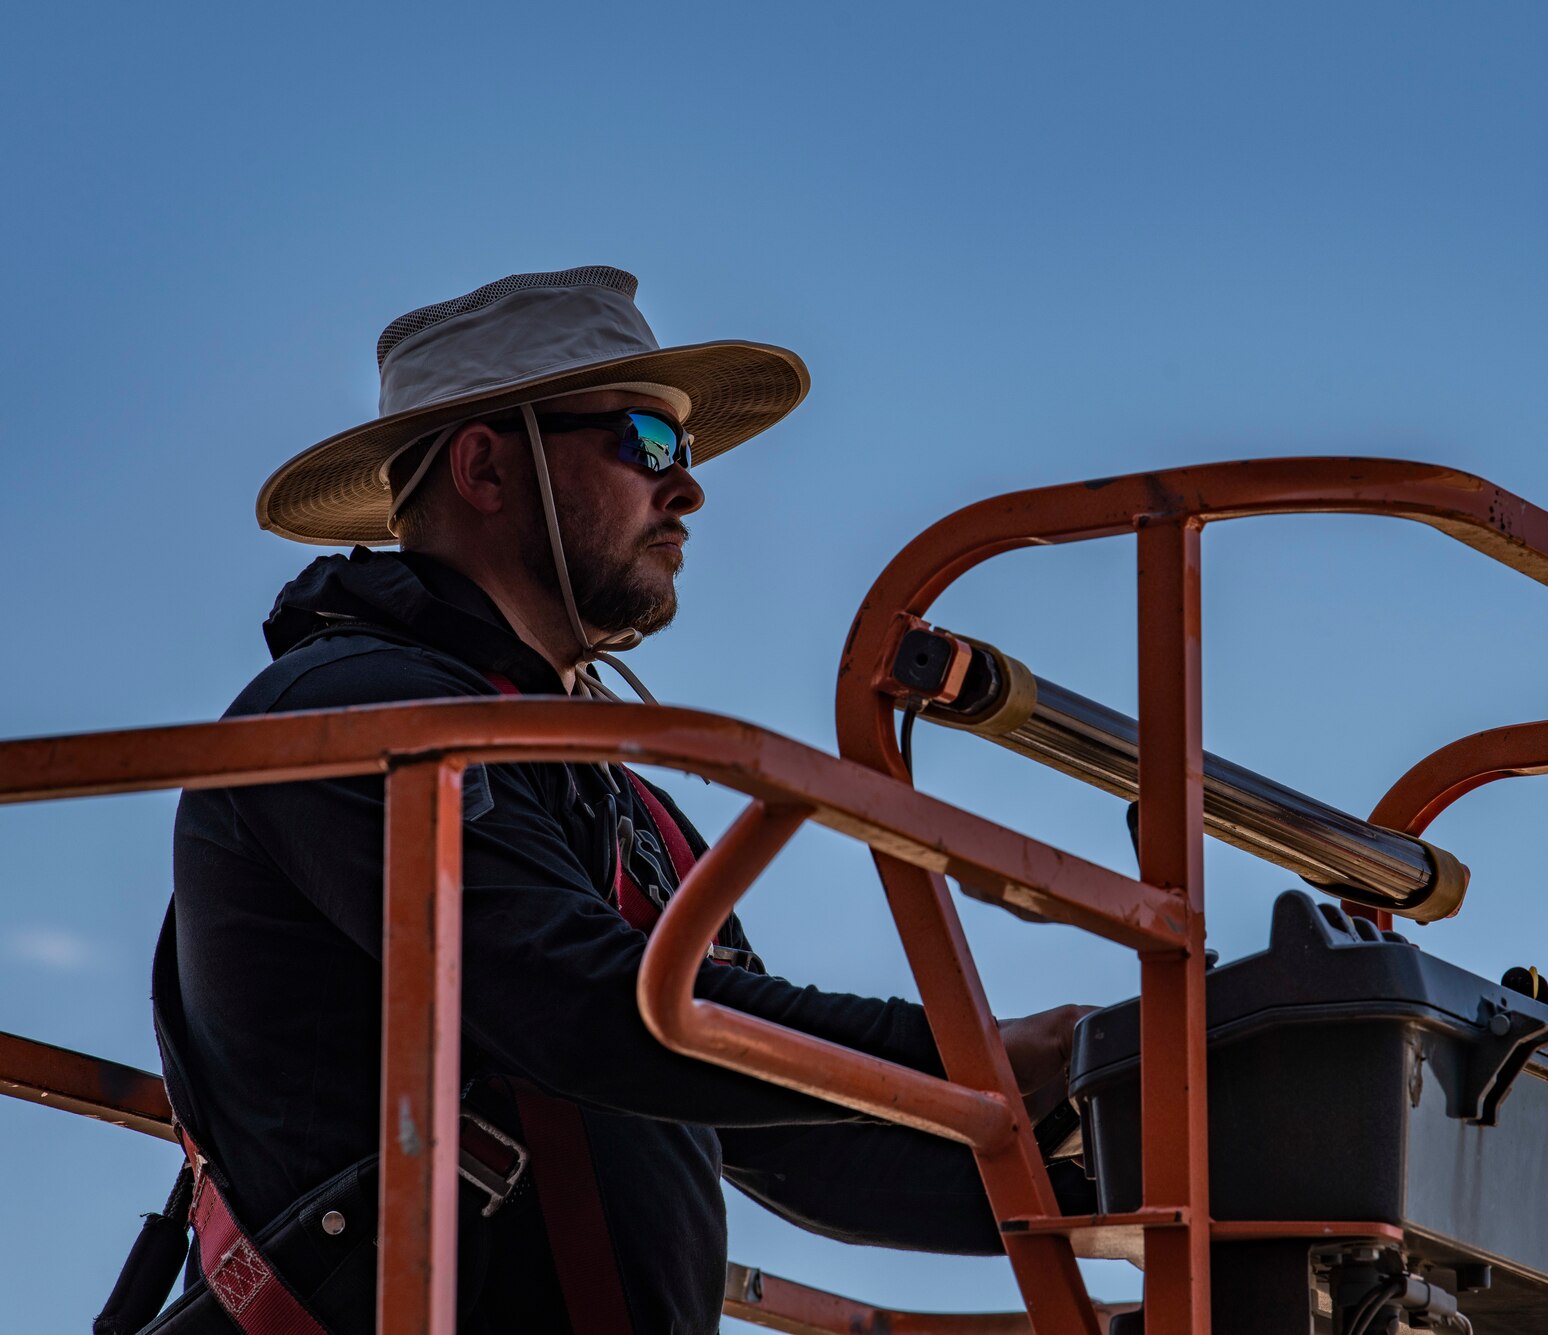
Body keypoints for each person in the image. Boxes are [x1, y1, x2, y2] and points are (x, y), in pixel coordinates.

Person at [142, 267, 1094, 1334]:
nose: (685, 488)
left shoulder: (622, 795)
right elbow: (588, 1011)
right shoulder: (345, 722)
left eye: (683, 455)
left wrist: (1143, 1178)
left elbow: (785, 1128)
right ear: (485, 467)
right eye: (646, 443)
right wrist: (976, 1048)